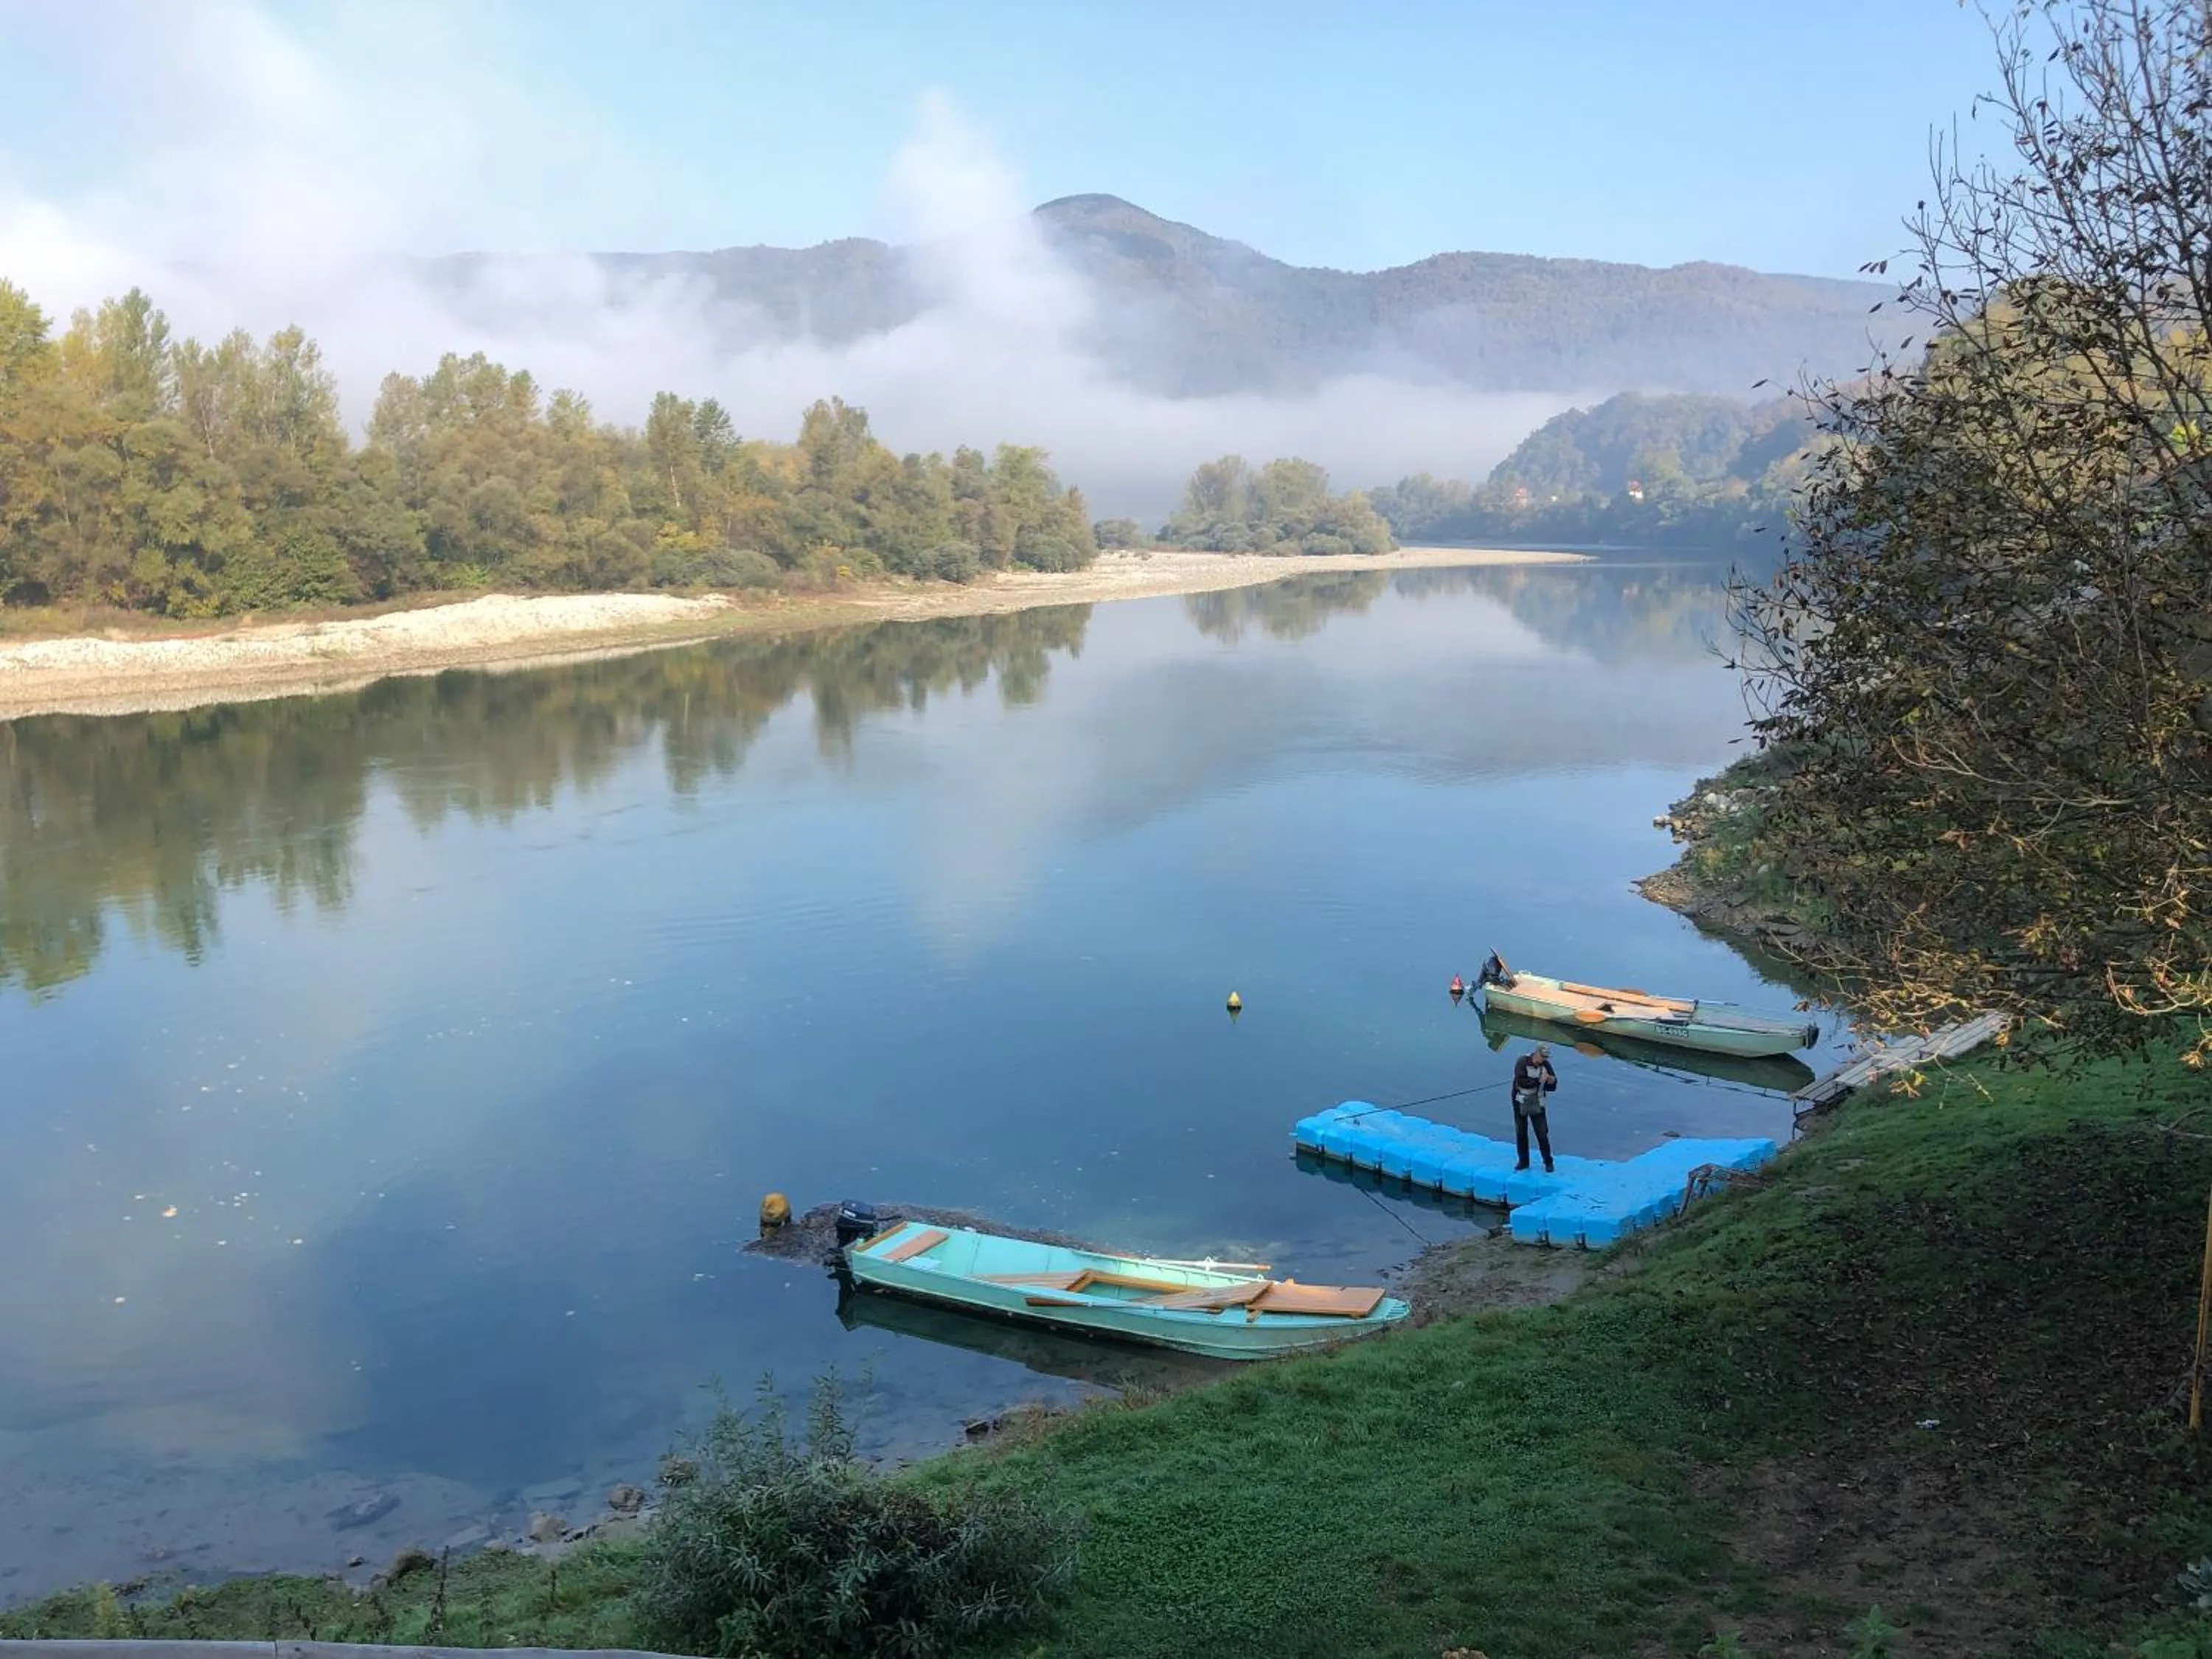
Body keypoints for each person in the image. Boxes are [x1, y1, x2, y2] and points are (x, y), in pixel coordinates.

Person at [1510, 1044, 1558, 1172]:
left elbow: (1552, 1087)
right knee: (1521, 1132)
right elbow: (1521, 1082)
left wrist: (1551, 1081)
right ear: (1535, 1053)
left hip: (1538, 1102)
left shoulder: (1546, 1066)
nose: (1542, 1060)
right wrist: (1539, 1080)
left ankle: (1548, 1161)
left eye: (1545, 1057)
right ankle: (1523, 1161)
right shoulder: (1522, 1062)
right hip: (1521, 1101)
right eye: (1542, 1056)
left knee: (1542, 1133)